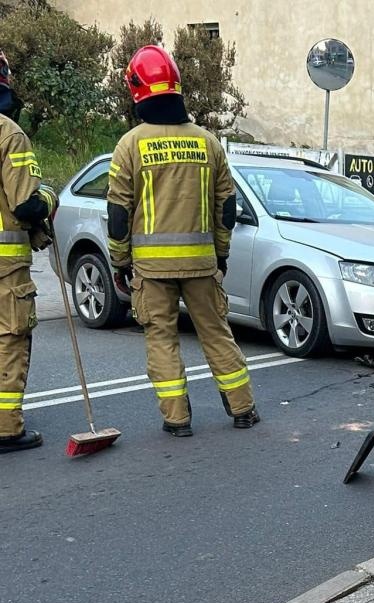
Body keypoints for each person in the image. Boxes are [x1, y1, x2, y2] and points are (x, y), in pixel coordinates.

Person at [107, 45, 259, 437]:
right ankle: (243, 409)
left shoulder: (130, 145)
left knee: (161, 338)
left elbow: (119, 214)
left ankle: (177, 420)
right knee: (216, 333)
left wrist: (119, 261)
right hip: (202, 264)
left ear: (137, 90)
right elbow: (227, 206)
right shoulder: (208, 142)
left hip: (151, 269)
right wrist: (221, 254)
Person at [0, 50, 57, 453]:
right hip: (4, 266)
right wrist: (49, 198)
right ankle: (6, 428)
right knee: (9, 339)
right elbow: (25, 205)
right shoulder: (8, 133)